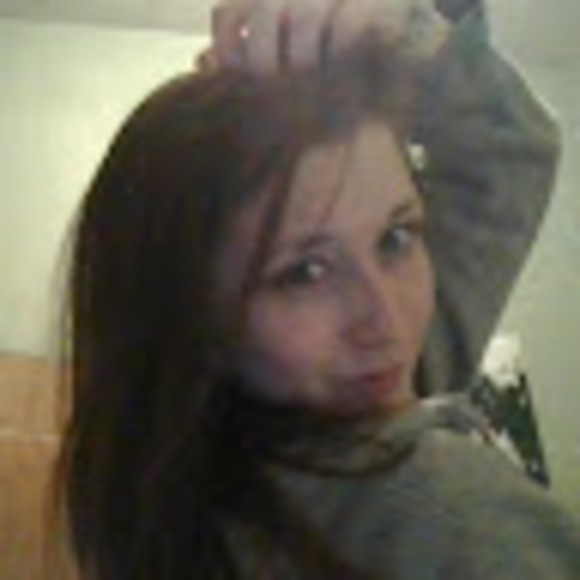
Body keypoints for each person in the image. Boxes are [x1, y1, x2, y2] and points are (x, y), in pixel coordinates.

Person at [53, 0, 580, 578]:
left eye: (395, 238)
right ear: (192, 315)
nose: (388, 321)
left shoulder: (166, 499)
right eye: (304, 273)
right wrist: (412, 35)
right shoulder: (447, 516)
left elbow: (508, 156)